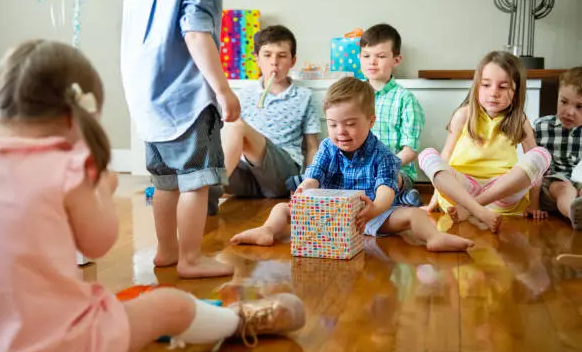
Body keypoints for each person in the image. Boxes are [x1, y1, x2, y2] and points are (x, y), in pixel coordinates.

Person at [0, 40, 306, 352]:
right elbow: (97, 242)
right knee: (169, 305)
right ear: (76, 118)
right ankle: (237, 322)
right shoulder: (68, 167)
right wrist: (102, 187)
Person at [231, 77, 474, 252]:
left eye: (350, 123)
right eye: (333, 124)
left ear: (371, 121)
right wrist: (306, 187)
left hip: (369, 215)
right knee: (282, 209)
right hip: (329, 214)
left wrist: (374, 210)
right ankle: (267, 231)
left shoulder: (383, 155)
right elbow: (314, 175)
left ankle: (434, 238)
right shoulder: (327, 147)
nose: (341, 132)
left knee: (413, 216)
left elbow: (385, 192)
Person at [120, 0, 240, 276]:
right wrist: (223, 90)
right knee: (195, 182)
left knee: (165, 182)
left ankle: (167, 250)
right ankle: (190, 259)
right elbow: (196, 34)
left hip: (149, 104)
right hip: (187, 102)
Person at [419, 51, 551, 233]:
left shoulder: (520, 120)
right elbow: (446, 157)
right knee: (427, 155)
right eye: (486, 85)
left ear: (516, 91)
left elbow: (535, 171)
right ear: (476, 86)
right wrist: (435, 196)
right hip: (462, 191)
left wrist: (534, 204)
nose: (493, 93)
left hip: (501, 193)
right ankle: (474, 207)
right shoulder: (464, 114)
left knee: (542, 155)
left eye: (503, 87)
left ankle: (473, 208)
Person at [210, 25, 320, 213]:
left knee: (237, 127)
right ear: (257, 59)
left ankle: (210, 194)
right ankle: (200, 189)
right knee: (211, 143)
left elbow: (312, 147)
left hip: (282, 175)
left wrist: (308, 184)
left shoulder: (304, 96)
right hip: (249, 177)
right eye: (267, 55)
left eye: (282, 56)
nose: (274, 63)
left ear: (292, 61)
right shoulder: (244, 95)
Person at [359, 23, 425, 206]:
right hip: (360, 167)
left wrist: (384, 166)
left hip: (396, 170)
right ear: (360, 58)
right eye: (366, 56)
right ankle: (400, 199)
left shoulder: (405, 99)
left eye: (380, 56)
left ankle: (400, 196)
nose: (372, 61)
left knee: (387, 179)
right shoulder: (354, 95)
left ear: (396, 60)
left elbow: (410, 150)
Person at [534, 67, 582, 229]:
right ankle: (574, 214)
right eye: (564, 102)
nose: (569, 112)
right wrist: (533, 204)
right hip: (552, 183)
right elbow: (531, 165)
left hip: (578, 182)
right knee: (565, 188)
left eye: (579, 107)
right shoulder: (541, 126)